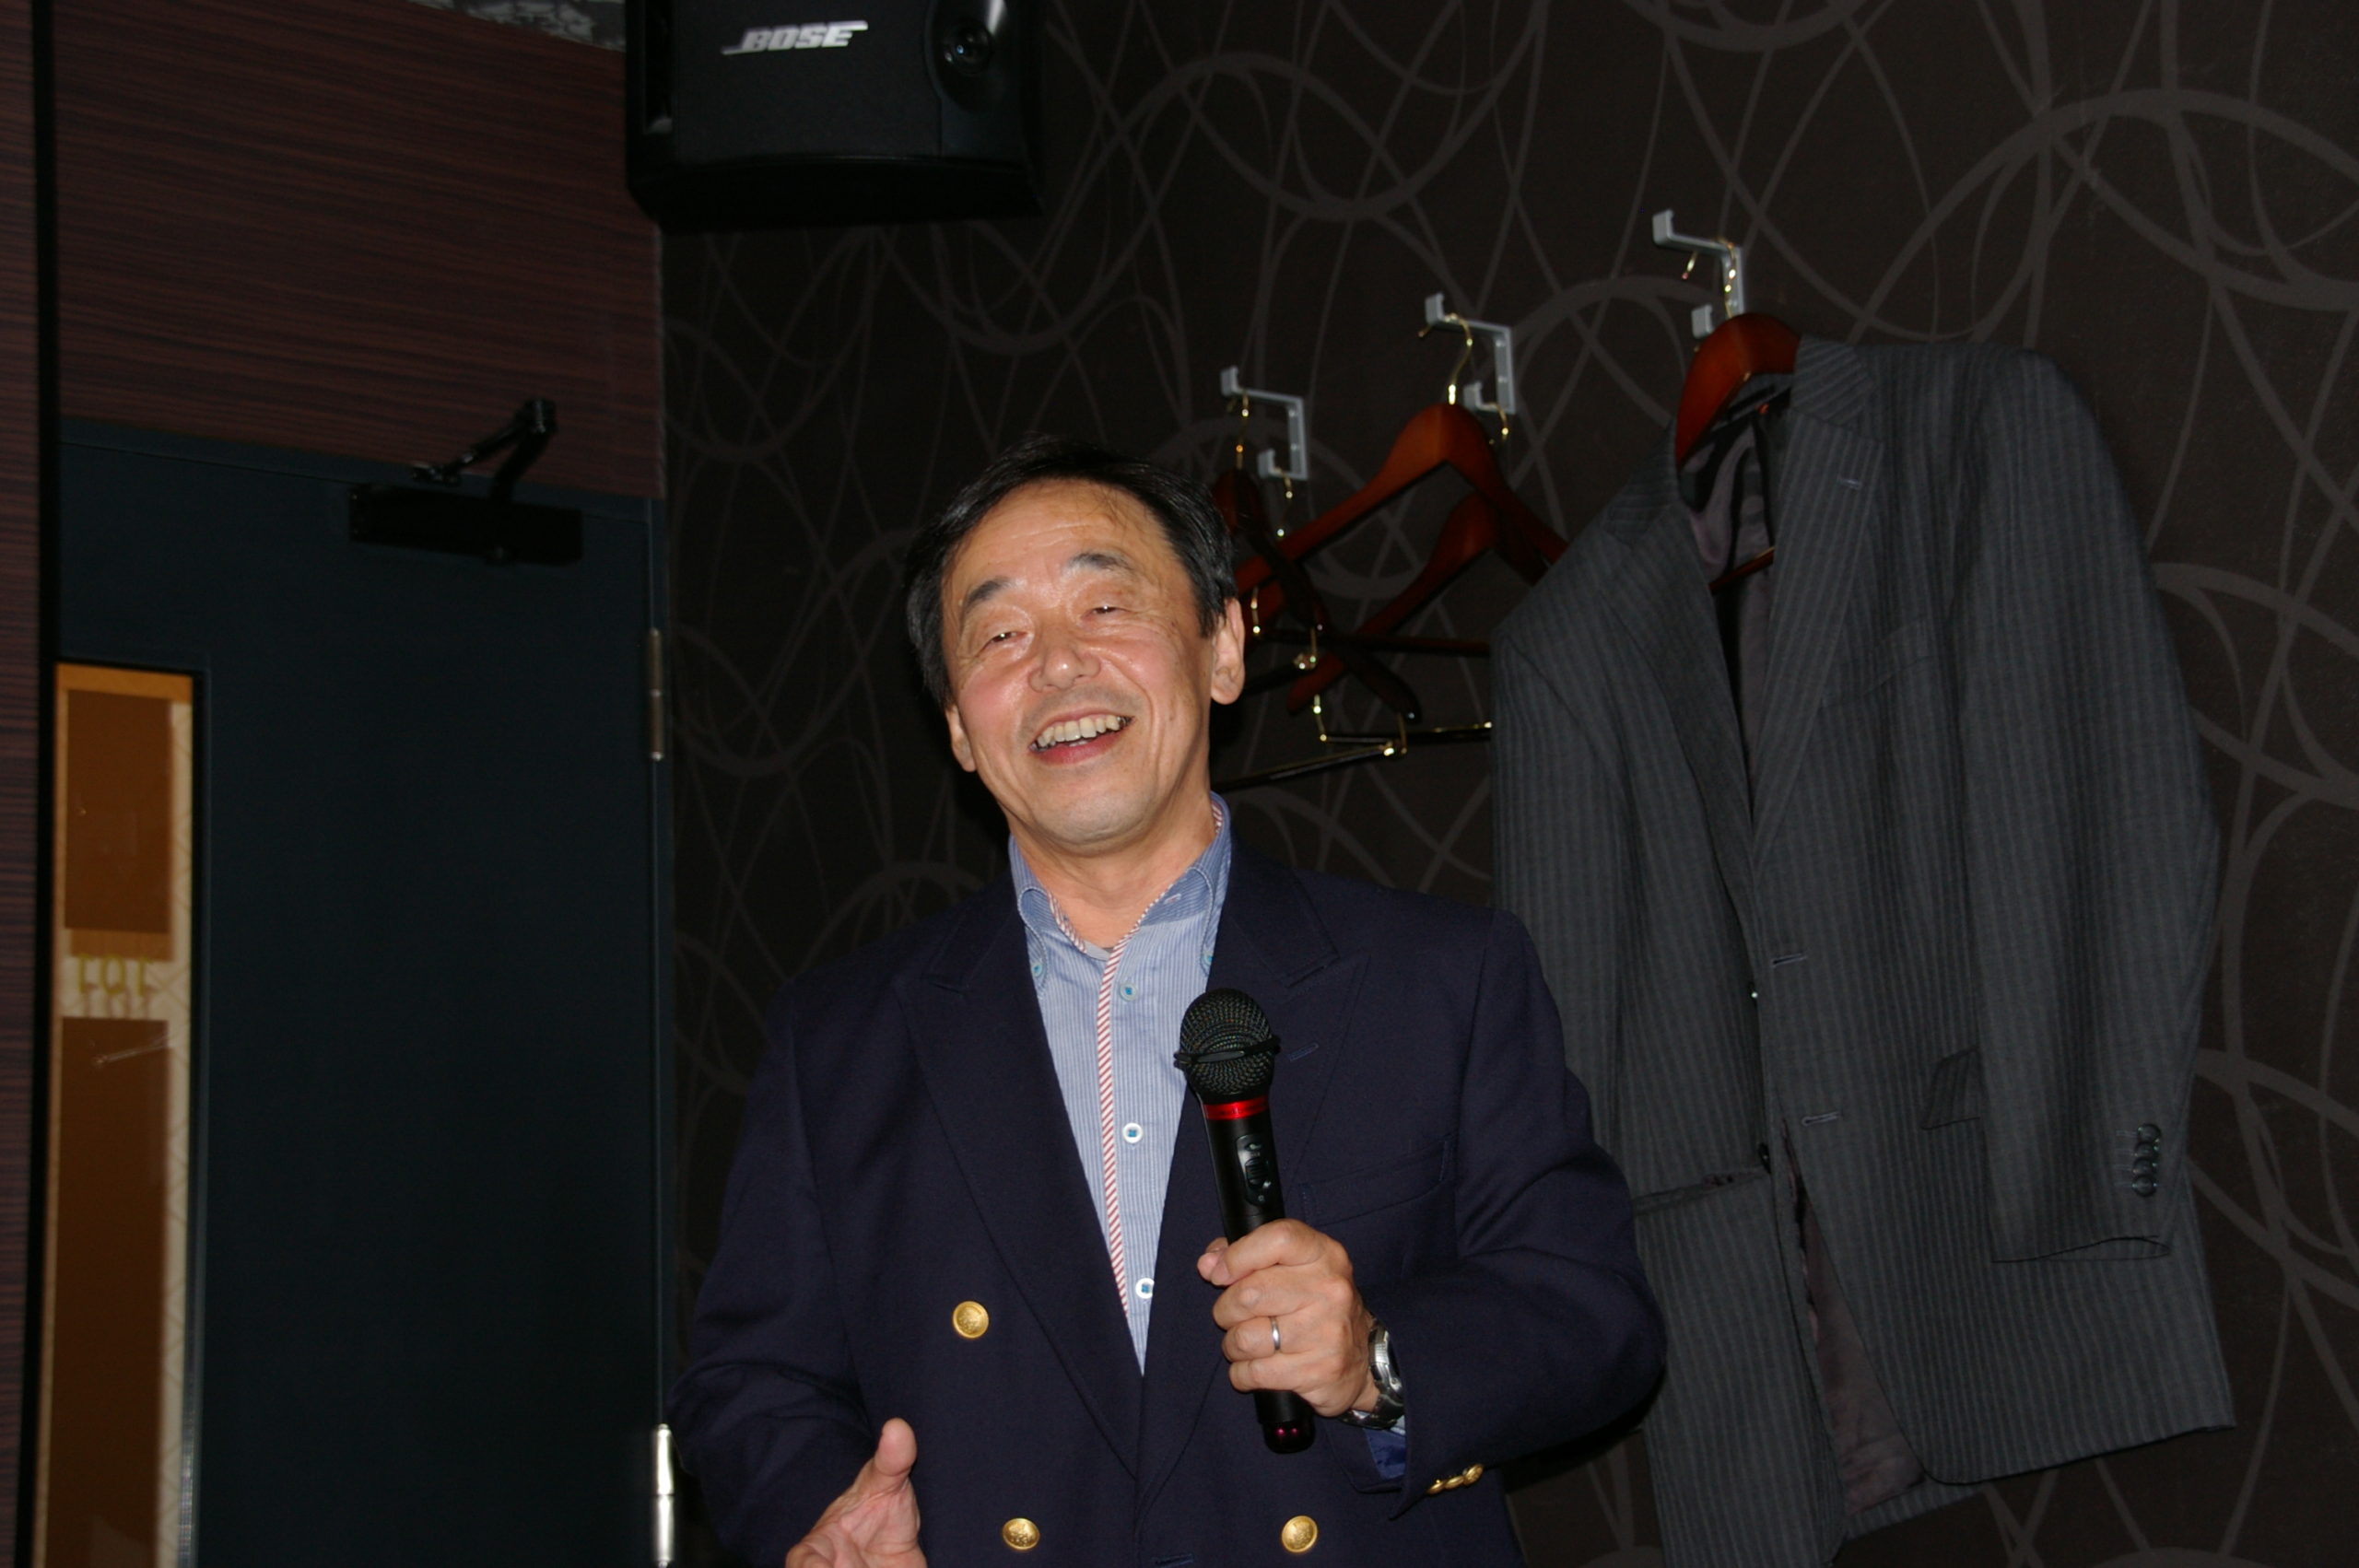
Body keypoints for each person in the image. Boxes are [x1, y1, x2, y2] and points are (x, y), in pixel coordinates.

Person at [670, 435, 1661, 1566]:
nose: (1057, 664)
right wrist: (824, 1517)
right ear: (956, 727)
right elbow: (750, 1380)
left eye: (1105, 606)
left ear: (1223, 647)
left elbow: (1595, 1319)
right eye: (998, 635)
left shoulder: (1441, 974)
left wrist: (1379, 1359)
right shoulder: (842, 1038)